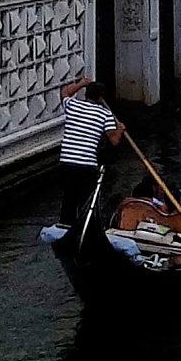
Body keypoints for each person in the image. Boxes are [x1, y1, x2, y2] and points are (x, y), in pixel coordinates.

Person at [55, 78, 124, 242]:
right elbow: (114, 141)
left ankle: (66, 228)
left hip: (66, 162)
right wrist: (120, 129)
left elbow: (64, 92)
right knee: (85, 201)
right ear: (101, 98)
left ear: (86, 94)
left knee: (69, 198)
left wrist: (81, 83)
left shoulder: (72, 105)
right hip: (87, 165)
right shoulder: (105, 114)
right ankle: (83, 233)